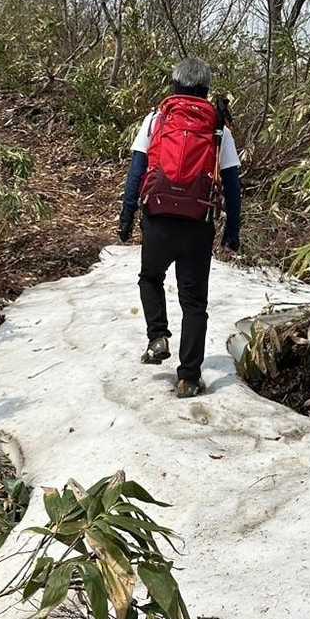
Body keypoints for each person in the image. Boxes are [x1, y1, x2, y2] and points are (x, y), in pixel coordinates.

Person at [118, 57, 242, 398]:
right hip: (198, 223)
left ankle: (158, 336)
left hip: (157, 217)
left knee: (150, 278)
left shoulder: (156, 119)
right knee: (194, 302)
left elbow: (137, 172)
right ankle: (188, 378)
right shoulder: (218, 128)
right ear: (205, 89)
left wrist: (126, 217)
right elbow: (232, 185)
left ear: (175, 85)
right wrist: (233, 231)